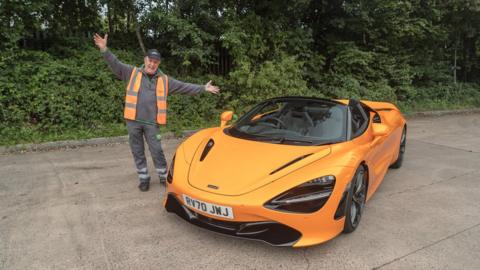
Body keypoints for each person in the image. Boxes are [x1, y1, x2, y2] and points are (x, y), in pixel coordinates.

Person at [93, 33, 220, 192]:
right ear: (145, 60)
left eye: (155, 62)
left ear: (158, 63)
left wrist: (203, 88)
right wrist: (104, 49)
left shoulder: (165, 80)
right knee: (137, 150)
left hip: (152, 123)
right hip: (133, 121)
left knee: (157, 150)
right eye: (150, 61)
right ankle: (144, 178)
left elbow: (184, 87)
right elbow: (115, 64)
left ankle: (163, 176)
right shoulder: (131, 72)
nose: (152, 64)